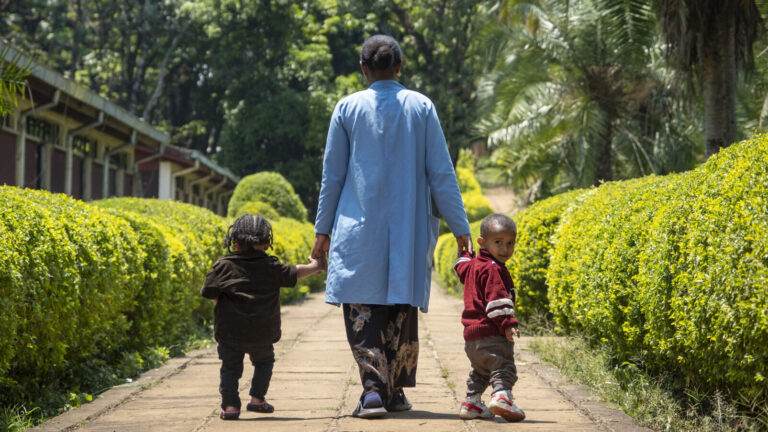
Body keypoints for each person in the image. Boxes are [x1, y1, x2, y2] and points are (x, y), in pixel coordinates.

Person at [311, 34, 472, 419]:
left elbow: (332, 176)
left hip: (358, 228)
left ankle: (373, 392)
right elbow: (441, 174)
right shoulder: (421, 106)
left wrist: (322, 230)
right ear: (400, 67)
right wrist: (460, 227)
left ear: (363, 69)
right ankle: (393, 390)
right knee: (401, 308)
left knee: (364, 308)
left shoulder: (347, 108)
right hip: (409, 229)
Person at [201, 214, 322, 420]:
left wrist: (224, 303)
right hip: (263, 331)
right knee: (264, 362)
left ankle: (230, 407)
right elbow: (296, 272)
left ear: (235, 242)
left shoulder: (223, 266)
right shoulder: (272, 267)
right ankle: (257, 399)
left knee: (230, 367)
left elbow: (209, 292)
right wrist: (317, 265)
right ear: (267, 244)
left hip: (230, 331)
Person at [454, 213, 526, 422]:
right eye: (498, 242)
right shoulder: (493, 268)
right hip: (492, 334)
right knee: (503, 367)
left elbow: (461, 268)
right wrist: (507, 324)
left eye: (510, 243)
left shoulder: (474, 265)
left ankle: (472, 402)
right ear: (482, 242)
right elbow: (497, 299)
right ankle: (502, 397)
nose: (505, 249)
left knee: (481, 371)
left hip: (471, 339)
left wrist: (465, 252)